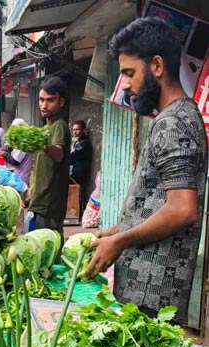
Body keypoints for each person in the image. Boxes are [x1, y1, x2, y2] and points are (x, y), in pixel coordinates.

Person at [85, 18, 207, 326]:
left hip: (153, 300)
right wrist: (117, 230)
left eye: (129, 72)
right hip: (147, 295)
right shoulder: (176, 116)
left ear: (156, 65)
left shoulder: (173, 123)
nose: (124, 83)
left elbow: (182, 209)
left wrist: (121, 241)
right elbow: (162, 202)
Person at [27, 77, 71, 238]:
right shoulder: (46, 128)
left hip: (48, 205)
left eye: (50, 100)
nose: (44, 105)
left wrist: (43, 144)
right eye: (41, 100)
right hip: (40, 201)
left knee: (44, 252)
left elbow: (58, 154)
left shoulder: (59, 126)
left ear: (61, 102)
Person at [0, 118, 33, 186]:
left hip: (21, 177)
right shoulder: (21, 140)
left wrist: (4, 154)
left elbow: (15, 160)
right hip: (20, 175)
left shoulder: (23, 142)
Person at [69, 120, 92, 216]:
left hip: (80, 172)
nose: (75, 132)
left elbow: (73, 157)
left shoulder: (84, 143)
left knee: (79, 193)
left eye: (77, 129)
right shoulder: (77, 142)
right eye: (73, 130)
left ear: (83, 130)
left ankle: (78, 212)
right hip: (75, 171)